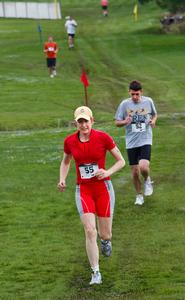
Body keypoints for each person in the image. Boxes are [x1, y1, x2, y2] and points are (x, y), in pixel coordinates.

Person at [58, 106, 125, 285]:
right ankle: (95, 272)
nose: (83, 124)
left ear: (92, 121)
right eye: (80, 121)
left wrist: (107, 171)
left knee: (105, 233)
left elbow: (121, 161)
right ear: (75, 123)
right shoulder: (70, 141)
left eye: (86, 121)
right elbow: (66, 161)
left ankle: (106, 241)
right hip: (84, 190)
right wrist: (62, 179)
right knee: (89, 230)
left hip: (103, 188)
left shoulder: (103, 138)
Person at [115, 80, 157, 206]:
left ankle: (147, 180)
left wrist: (153, 121)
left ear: (141, 92)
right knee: (134, 172)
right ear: (129, 92)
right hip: (131, 142)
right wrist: (124, 121)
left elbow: (154, 115)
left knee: (144, 167)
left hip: (145, 139)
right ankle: (139, 195)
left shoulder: (148, 101)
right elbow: (117, 122)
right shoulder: (124, 105)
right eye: (132, 94)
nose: (134, 97)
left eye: (137, 94)